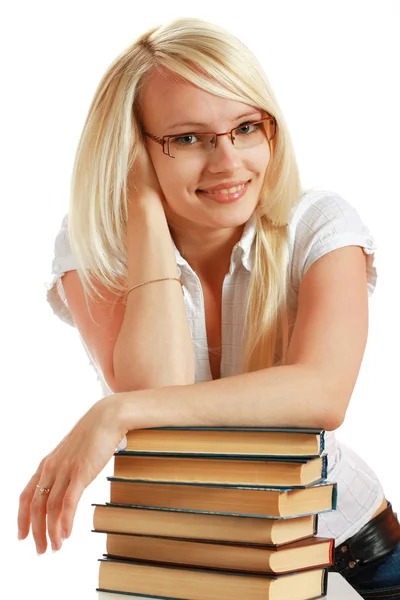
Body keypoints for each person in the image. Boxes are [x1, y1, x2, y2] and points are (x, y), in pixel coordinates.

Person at [18, 17, 400, 599]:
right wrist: (144, 212)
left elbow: (322, 394)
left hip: (347, 553)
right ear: (134, 151)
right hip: (192, 557)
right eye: (188, 138)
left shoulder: (320, 225)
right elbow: (159, 401)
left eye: (246, 127)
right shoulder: (93, 243)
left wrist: (114, 413)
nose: (227, 163)